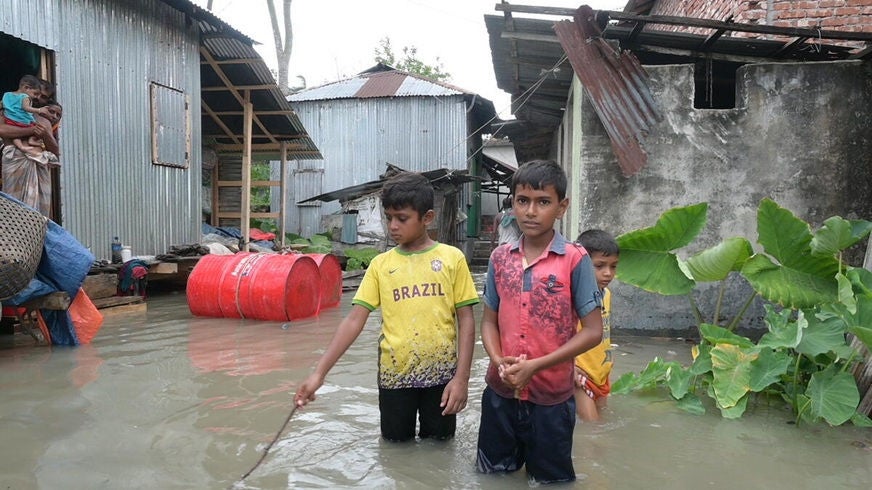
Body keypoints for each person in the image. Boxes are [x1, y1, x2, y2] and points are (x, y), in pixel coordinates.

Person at [294, 171, 480, 442]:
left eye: (402, 218)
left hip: (441, 377)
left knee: (439, 449)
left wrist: (461, 379)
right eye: (388, 217)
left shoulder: (452, 259)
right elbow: (353, 321)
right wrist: (319, 374)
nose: (392, 226)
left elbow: (467, 321)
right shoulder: (381, 265)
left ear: (427, 218)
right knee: (395, 450)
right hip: (395, 377)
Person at [475, 159, 604, 484]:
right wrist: (496, 360)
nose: (531, 211)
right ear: (513, 204)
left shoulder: (575, 259)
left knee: (551, 481)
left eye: (543, 202)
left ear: (561, 207)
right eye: (523, 201)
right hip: (500, 392)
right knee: (493, 478)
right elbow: (488, 322)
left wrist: (537, 365)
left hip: (551, 399)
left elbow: (593, 332)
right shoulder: (499, 258)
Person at [573, 229, 619, 422]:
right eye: (599, 266)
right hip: (579, 375)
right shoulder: (571, 299)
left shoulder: (606, 295)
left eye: (613, 266)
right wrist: (568, 368)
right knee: (594, 429)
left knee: (603, 421)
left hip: (601, 373)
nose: (608, 273)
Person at [2, 75, 52, 158]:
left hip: (10, 120)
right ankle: (31, 140)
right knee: (35, 126)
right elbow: (26, 108)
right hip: (22, 121)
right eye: (35, 94)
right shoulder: (25, 97)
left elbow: (4, 106)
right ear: (26, 88)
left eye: (43, 97)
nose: (36, 97)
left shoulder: (6, 95)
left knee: (15, 136)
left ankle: (21, 146)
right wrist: (39, 110)